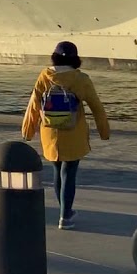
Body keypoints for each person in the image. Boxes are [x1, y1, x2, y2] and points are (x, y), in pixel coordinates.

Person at [21, 41, 110, 229]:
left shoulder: (45, 76)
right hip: (73, 132)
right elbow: (97, 107)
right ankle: (65, 216)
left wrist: (28, 131)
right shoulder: (81, 79)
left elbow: (34, 105)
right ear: (75, 58)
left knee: (57, 171)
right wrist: (104, 131)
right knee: (69, 173)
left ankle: (65, 211)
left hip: (50, 132)